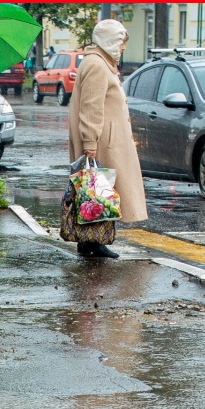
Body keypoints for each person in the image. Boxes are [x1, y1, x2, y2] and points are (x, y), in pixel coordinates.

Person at [68, 19, 147, 258]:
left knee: (99, 192)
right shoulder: (96, 65)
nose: (122, 48)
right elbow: (91, 108)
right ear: (109, 41)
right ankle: (91, 243)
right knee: (96, 191)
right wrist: (90, 143)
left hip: (106, 139)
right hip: (102, 142)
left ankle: (92, 241)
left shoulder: (102, 63)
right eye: (120, 42)